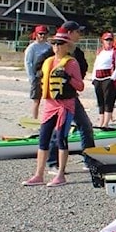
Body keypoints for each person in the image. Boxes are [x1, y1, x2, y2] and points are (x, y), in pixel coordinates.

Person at [21, 28, 85, 187]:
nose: (56, 46)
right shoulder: (48, 62)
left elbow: (81, 86)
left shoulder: (72, 63)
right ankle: (38, 175)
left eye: (60, 44)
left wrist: (68, 78)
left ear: (66, 45)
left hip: (65, 105)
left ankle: (61, 175)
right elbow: (40, 79)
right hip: (50, 105)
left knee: (62, 139)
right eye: (54, 44)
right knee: (43, 139)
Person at [43, 20, 94, 167]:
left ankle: (89, 161)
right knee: (58, 129)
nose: (80, 34)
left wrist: (73, 79)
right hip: (56, 98)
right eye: (78, 32)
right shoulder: (54, 49)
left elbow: (82, 69)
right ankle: (53, 162)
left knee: (85, 126)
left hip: (71, 96)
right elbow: (39, 68)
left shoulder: (77, 52)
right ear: (70, 33)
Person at [91, 32, 116, 127]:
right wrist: (93, 78)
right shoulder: (100, 51)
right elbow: (96, 65)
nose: (109, 42)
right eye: (106, 40)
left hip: (108, 78)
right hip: (98, 78)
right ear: (103, 41)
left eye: (110, 40)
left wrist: (112, 79)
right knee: (100, 101)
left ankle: (106, 123)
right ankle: (101, 122)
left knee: (108, 101)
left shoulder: (115, 52)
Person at [23, 25, 52, 119]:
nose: (42, 36)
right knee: (36, 100)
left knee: (50, 100)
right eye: (40, 34)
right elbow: (28, 63)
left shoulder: (49, 47)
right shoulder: (32, 48)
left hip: (48, 76)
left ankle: (47, 120)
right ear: (36, 34)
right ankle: (35, 119)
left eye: (45, 34)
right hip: (37, 76)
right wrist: (32, 77)